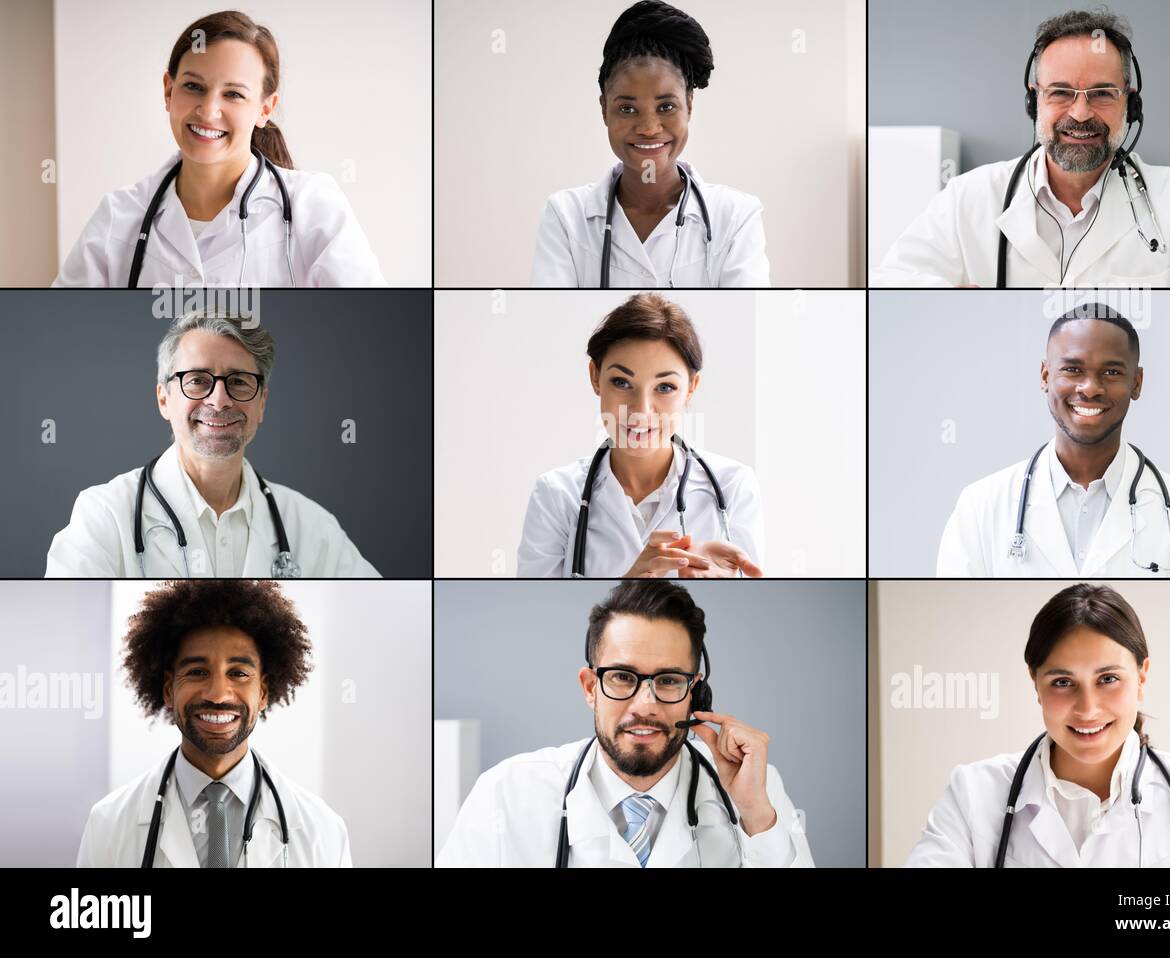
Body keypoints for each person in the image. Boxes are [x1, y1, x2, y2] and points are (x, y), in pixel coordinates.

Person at [870, 9, 1170, 288]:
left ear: (1129, 104)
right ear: (1035, 101)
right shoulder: (970, 198)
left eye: (1101, 93)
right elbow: (891, 290)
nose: (1080, 114)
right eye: (1061, 92)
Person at [435, 580, 813, 867]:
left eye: (668, 680)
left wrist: (755, 812)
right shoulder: (506, 794)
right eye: (622, 677)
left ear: (694, 693)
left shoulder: (755, 788)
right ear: (590, 687)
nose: (645, 704)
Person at [906, 583, 1170, 867]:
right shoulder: (975, 794)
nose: (1087, 708)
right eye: (1063, 682)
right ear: (1035, 683)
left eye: (1108, 679)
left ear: (1142, 676)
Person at [53, 10, 384, 287]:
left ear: (265, 109)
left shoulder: (313, 207)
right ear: (168, 91)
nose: (208, 111)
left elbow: (370, 331)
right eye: (193, 87)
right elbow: (60, 333)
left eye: (234, 94)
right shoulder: (119, 216)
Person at [46, 308, 380, 577]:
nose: (219, 400)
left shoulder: (312, 526)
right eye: (198, 380)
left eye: (238, 381)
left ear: (262, 403)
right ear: (164, 398)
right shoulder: (104, 516)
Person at [76, 579, 352, 867]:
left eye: (239, 673)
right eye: (197, 672)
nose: (218, 695)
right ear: (169, 690)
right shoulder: (108, 825)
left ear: (264, 692)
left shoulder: (324, 832)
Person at [937, 304, 1170, 576]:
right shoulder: (980, 507)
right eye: (1072, 369)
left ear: (1136, 384)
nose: (1089, 389)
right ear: (1045, 375)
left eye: (1111, 372)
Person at [518, 293, 763, 577]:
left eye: (665, 387)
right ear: (595, 377)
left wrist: (722, 593)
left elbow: (749, 608)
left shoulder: (734, 487)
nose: (641, 410)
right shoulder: (555, 495)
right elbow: (541, 617)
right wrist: (630, 584)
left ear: (691, 388)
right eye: (622, 382)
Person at [529, 0, 770, 287]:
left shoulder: (736, 217)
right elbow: (555, 320)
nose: (648, 128)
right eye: (627, 109)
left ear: (689, 105)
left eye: (666, 107)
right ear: (604, 108)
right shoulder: (566, 216)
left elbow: (745, 323)